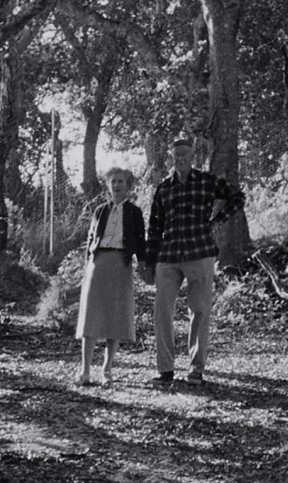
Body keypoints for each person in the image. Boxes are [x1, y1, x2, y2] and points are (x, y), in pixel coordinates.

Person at [140, 134, 243, 387]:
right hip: (169, 255)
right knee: (162, 312)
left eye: (186, 155)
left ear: (193, 156)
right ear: (171, 159)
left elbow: (237, 197)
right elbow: (154, 227)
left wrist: (217, 221)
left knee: (200, 311)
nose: (182, 159)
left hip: (200, 253)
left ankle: (196, 370)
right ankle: (165, 370)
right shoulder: (164, 188)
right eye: (177, 156)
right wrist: (148, 261)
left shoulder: (207, 182)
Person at [75, 167, 146, 387]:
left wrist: (144, 265)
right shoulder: (99, 211)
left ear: (129, 186)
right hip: (98, 264)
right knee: (91, 316)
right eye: (113, 181)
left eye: (121, 182)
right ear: (108, 185)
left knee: (115, 317)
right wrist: (88, 263)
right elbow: (91, 238)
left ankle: (107, 370)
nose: (116, 185)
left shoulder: (135, 213)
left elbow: (140, 243)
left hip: (120, 264)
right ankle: (85, 370)